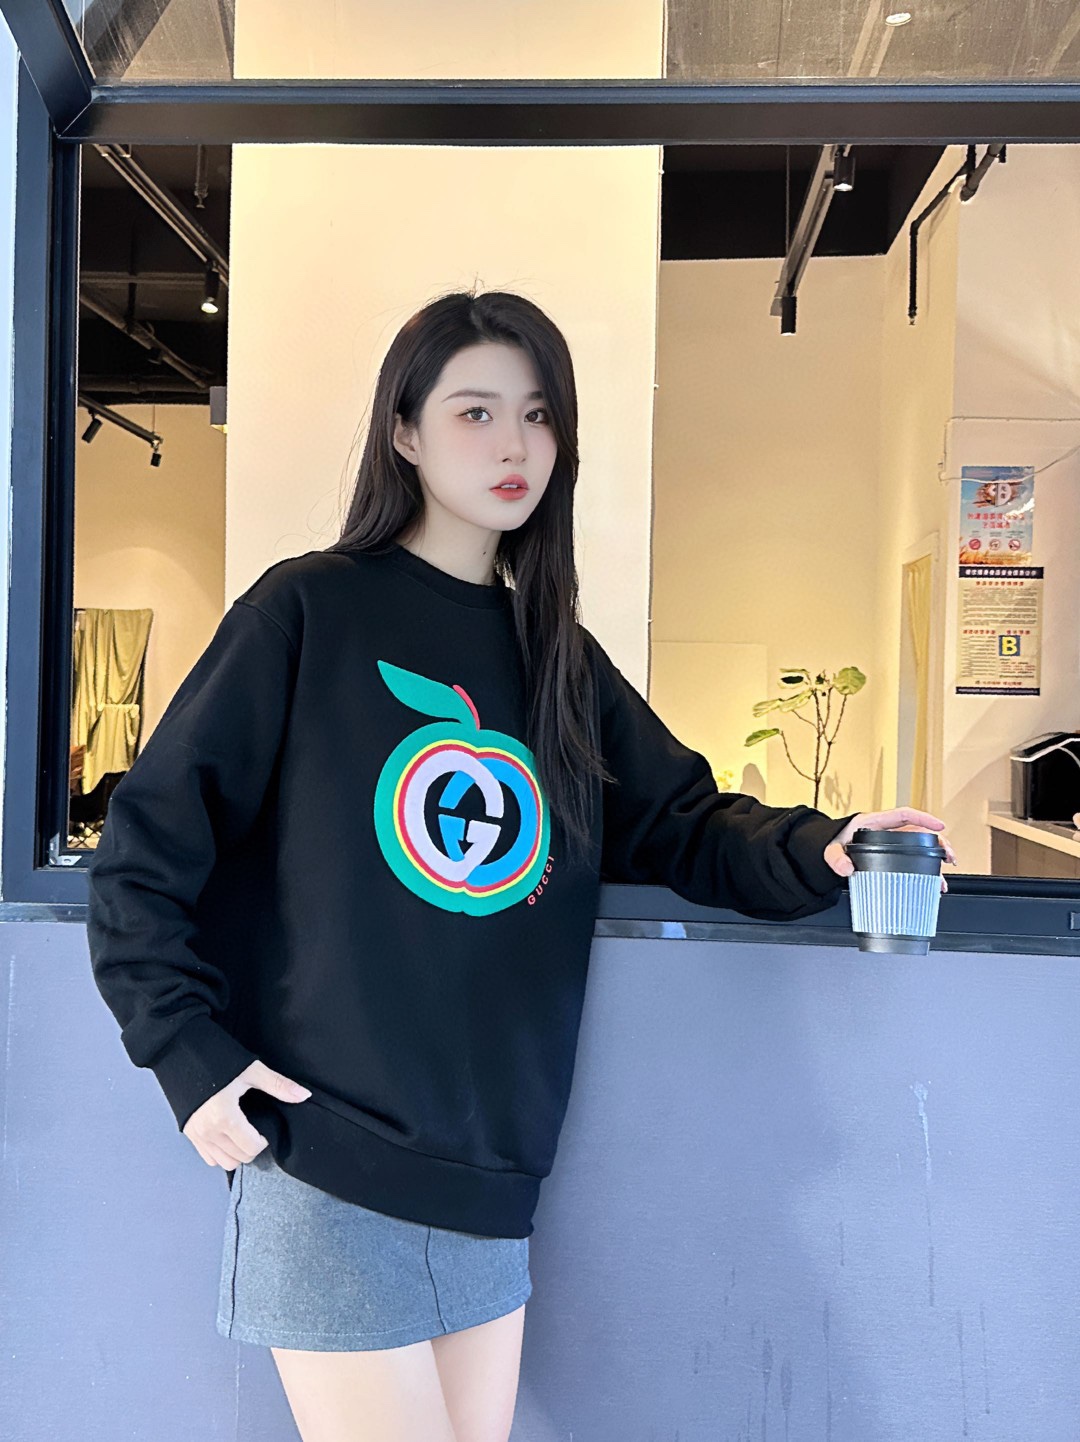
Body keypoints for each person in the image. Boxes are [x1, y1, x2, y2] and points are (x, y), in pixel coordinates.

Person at [85, 288, 956, 1442]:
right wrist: (189, 1057)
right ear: (405, 432)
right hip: (330, 1155)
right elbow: (145, 844)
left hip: (494, 1174)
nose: (514, 445)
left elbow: (684, 820)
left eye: (538, 415)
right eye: (476, 411)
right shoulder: (309, 611)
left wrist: (825, 845)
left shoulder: (558, 657)